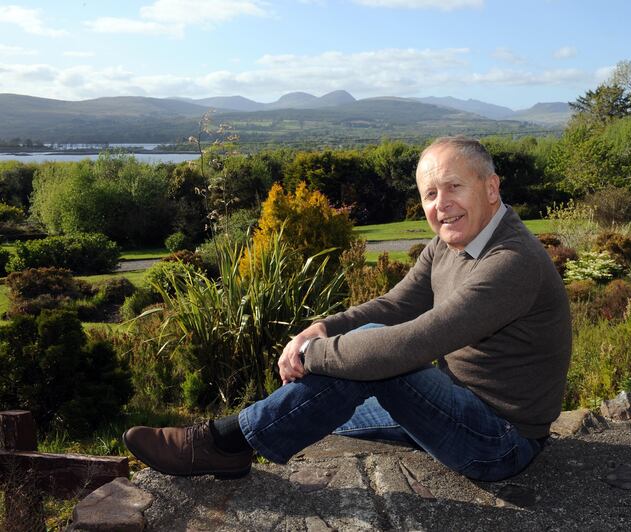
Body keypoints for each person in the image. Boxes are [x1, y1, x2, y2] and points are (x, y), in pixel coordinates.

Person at [123, 136, 572, 482]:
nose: (441, 205)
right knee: (325, 398)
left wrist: (313, 353)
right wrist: (318, 329)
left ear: (491, 188)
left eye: (454, 187)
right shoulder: (449, 244)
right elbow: (397, 304)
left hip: (500, 442)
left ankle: (222, 443)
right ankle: (241, 434)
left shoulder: (512, 263)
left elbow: (414, 342)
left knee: (368, 357)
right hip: (452, 404)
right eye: (430, 194)